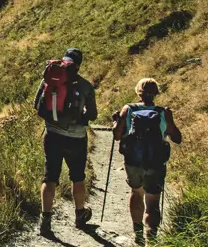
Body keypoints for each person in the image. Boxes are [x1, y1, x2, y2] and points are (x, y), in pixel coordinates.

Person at [34, 47, 98, 235]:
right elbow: (93, 115)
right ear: (79, 64)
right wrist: (80, 117)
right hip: (76, 139)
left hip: (52, 135)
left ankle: (45, 220)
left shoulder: (50, 79)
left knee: (50, 177)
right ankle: (80, 215)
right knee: (77, 176)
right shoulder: (85, 86)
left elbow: (36, 104)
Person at [113, 78, 183, 245]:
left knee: (136, 193)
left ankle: (137, 234)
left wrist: (115, 121)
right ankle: (151, 238)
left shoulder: (128, 109)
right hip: (156, 163)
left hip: (133, 162)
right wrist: (170, 121)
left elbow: (117, 136)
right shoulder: (163, 112)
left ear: (138, 92)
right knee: (152, 202)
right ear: (156, 93)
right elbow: (177, 138)